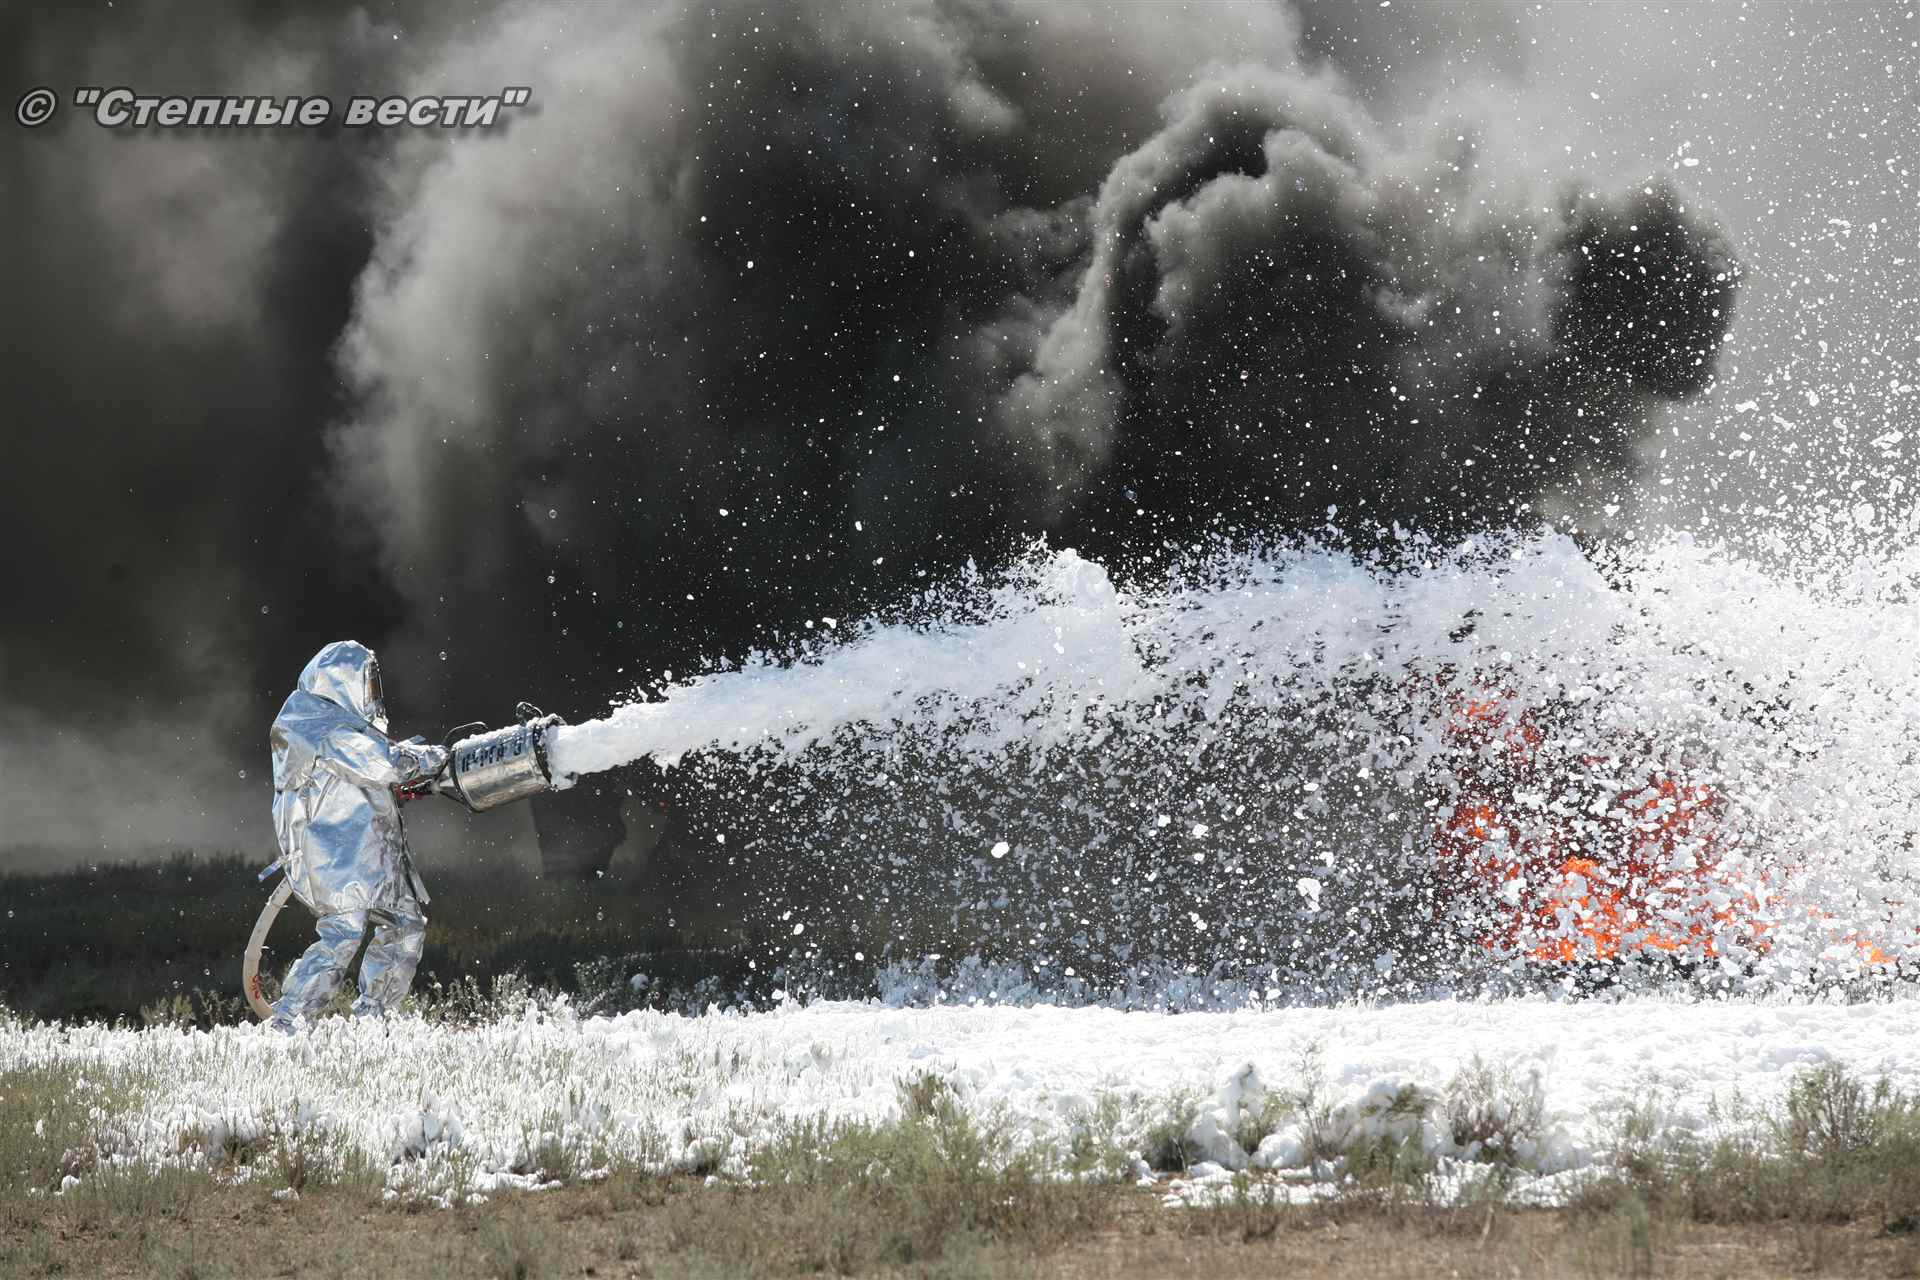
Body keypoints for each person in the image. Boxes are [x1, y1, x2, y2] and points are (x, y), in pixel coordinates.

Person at [264, 640, 446, 1030]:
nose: (373, 693)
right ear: (343, 680)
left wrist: (405, 775)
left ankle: (372, 1021)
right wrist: (431, 757)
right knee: (342, 935)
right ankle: (289, 1022)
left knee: (405, 926)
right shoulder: (315, 724)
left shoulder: (339, 724)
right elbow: (378, 764)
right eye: (368, 683)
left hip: (369, 855)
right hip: (334, 857)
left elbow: (368, 774)